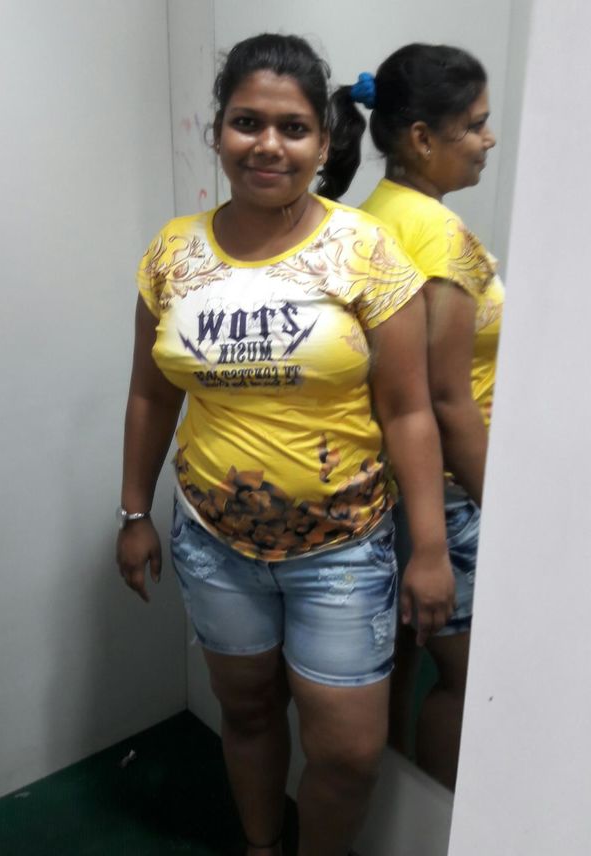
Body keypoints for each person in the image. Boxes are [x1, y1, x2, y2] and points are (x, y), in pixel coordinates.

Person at [116, 34, 454, 856]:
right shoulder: (172, 253)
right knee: (248, 711)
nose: (268, 144)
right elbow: (151, 393)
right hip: (213, 540)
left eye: (292, 128)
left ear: (324, 141)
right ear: (219, 133)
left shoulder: (366, 251)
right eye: (247, 122)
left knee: (348, 753)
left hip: (344, 548)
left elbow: (410, 411)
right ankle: (263, 847)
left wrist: (430, 547)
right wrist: (133, 511)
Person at [333, 44, 505, 789]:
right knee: (465, 680)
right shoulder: (442, 237)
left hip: (394, 486)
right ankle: (441, 823)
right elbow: (445, 400)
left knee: (401, 662)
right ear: (422, 138)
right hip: (450, 492)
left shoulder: (368, 215)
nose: (489, 140)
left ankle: (393, 822)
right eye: (476, 125)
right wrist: (507, 512)